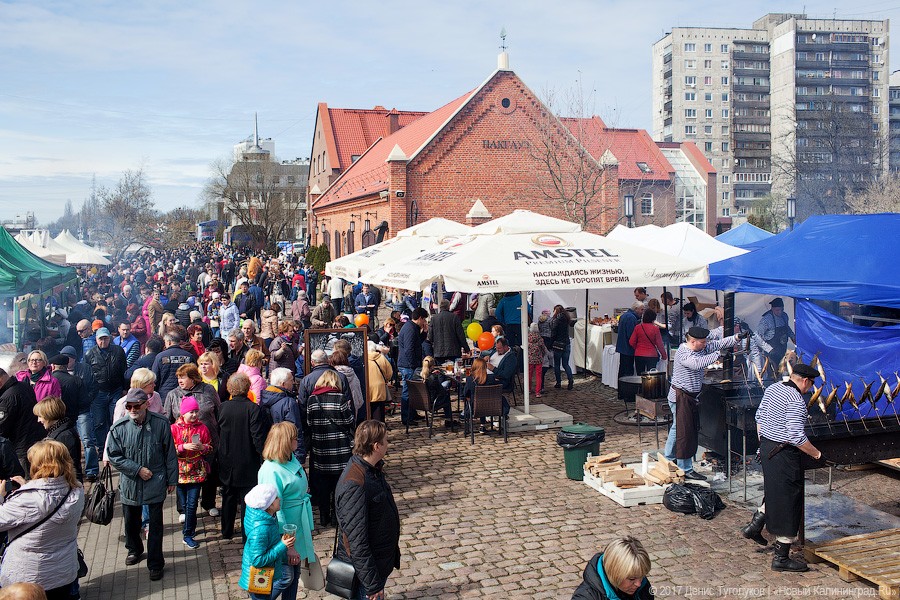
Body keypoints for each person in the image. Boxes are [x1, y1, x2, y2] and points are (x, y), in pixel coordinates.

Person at [753, 363, 824, 572]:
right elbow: (796, 436)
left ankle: (755, 526)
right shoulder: (796, 400)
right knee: (789, 501)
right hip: (784, 453)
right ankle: (781, 558)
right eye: (810, 385)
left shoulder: (773, 388)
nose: (810, 390)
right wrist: (817, 454)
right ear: (804, 380)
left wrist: (763, 445)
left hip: (767, 447)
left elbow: (759, 418)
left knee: (775, 493)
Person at [106, 388, 178, 581]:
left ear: (146, 404)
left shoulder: (161, 424)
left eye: (136, 405)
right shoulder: (119, 428)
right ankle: (134, 549)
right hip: (130, 482)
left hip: (156, 480)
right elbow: (114, 456)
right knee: (131, 522)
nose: (132, 409)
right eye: (128, 406)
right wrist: (136, 469)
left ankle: (155, 563)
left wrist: (172, 479)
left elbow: (170, 453)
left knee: (155, 525)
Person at [0, 440, 85, 598]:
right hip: (63, 572)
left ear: (40, 465)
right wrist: (27, 486)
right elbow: (47, 501)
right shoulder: (77, 490)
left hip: (30, 579)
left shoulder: (28, 500)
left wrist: (1, 496)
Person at [665, 326, 744, 481]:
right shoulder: (684, 352)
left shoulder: (703, 346)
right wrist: (717, 356)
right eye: (702, 342)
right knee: (685, 432)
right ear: (693, 342)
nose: (706, 344)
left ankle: (669, 458)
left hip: (690, 396)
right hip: (681, 396)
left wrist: (737, 337)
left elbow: (720, 343)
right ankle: (685, 468)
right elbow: (697, 363)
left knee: (677, 428)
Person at [334, 420, 400, 600]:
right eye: (386, 441)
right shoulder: (355, 483)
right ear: (376, 446)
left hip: (378, 563)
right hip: (366, 574)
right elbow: (357, 541)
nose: (388, 444)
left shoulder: (371, 470)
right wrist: (372, 585)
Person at [257, 422, 316, 600]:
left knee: (294, 573)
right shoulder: (271, 470)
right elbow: (275, 511)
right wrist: (287, 544)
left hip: (296, 523)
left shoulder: (290, 458)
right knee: (285, 576)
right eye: (294, 438)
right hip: (284, 529)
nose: (297, 440)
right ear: (285, 442)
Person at [162, 363, 221, 518]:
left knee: (209, 472)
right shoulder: (173, 394)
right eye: (178, 378)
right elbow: (166, 418)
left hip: (208, 440)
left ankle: (209, 503)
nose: (180, 380)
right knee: (184, 476)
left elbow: (219, 411)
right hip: (183, 443)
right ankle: (183, 509)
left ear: (193, 378)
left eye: (183, 377)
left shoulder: (208, 390)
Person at [218, 373, 268, 541]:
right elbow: (257, 436)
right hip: (247, 459)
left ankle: (226, 530)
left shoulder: (223, 407)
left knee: (228, 496)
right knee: (248, 499)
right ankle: (247, 534)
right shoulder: (253, 408)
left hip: (227, 458)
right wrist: (263, 455)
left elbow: (219, 433)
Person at [305, 370, 354, 527]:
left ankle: (324, 515)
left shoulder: (312, 399)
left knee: (323, 484)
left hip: (320, 448)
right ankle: (336, 516)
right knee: (338, 484)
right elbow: (349, 421)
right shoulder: (340, 398)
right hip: (339, 448)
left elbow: (309, 423)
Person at [238, 483, 295, 600]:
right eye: (276, 498)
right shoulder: (261, 529)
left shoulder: (268, 516)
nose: (279, 499)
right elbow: (258, 560)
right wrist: (282, 546)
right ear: (269, 505)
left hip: (264, 575)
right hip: (258, 577)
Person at [170, 396, 213, 549]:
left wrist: (203, 448)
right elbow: (169, 451)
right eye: (191, 412)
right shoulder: (174, 428)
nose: (194, 415)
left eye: (196, 411)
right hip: (180, 471)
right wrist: (183, 447)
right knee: (184, 503)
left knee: (192, 503)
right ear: (183, 413)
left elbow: (210, 447)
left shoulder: (202, 428)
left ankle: (187, 533)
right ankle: (190, 528)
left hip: (196, 469)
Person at [84, 327, 128, 456]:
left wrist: (125, 388)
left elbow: (124, 370)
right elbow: (88, 375)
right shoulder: (90, 354)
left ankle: (117, 447)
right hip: (98, 393)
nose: (103, 341)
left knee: (116, 420)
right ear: (96, 340)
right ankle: (102, 448)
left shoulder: (118, 351)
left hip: (115, 390)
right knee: (99, 422)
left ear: (110, 338)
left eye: (105, 338)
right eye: (100, 339)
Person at [572, 536, 654, 600]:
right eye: (632, 579)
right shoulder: (586, 597)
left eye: (642, 576)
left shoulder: (643, 586)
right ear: (614, 573)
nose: (638, 584)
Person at [0, 367, 47, 475]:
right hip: (34, 440)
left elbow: (1, 428)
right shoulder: (24, 386)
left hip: (21, 447)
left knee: (25, 482)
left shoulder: (7, 398)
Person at [259, 368, 306, 463]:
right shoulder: (288, 403)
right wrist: (300, 457)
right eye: (291, 380)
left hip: (270, 450)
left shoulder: (264, 398)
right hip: (287, 453)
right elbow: (295, 430)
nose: (293, 382)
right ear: (282, 384)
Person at [33, 397, 83, 482]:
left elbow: (70, 466)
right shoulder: (58, 431)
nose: (38, 420)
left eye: (40, 416)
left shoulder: (64, 436)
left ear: (49, 415)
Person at [397, 307, 429, 426]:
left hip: (408, 364)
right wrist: (412, 365)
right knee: (407, 392)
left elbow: (417, 342)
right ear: (420, 318)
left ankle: (412, 413)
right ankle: (406, 417)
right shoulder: (410, 329)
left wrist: (424, 332)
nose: (424, 322)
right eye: (424, 319)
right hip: (407, 365)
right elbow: (409, 349)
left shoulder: (413, 327)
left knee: (411, 391)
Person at [462, 357, 508, 434]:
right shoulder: (491, 378)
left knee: (476, 399)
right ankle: (483, 424)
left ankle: (480, 425)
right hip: (492, 407)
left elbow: (465, 393)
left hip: (475, 408)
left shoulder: (470, 380)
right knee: (485, 398)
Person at [151, 330, 194, 401]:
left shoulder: (160, 356)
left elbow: (154, 377)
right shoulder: (189, 356)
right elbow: (194, 376)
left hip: (165, 395)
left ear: (169, 342)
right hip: (185, 394)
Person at [418, 357, 458, 429]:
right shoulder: (433, 378)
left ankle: (449, 419)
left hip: (420, 401)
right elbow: (441, 391)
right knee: (446, 396)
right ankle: (448, 420)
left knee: (446, 390)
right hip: (432, 402)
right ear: (432, 366)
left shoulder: (417, 374)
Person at [427, 299, 469, 365]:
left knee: (440, 372)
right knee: (454, 372)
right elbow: (461, 335)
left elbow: (430, 336)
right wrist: (467, 349)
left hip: (439, 352)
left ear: (440, 307)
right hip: (453, 351)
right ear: (449, 306)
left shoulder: (434, 318)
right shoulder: (454, 317)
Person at [615, 302, 643, 400]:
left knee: (622, 370)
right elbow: (632, 336)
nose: (642, 312)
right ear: (636, 309)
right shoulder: (631, 318)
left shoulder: (624, 316)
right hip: (628, 348)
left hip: (623, 347)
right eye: (641, 309)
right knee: (627, 371)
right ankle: (627, 395)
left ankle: (621, 393)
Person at [757, 297, 795, 368]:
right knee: (772, 372)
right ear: (772, 309)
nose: (780, 312)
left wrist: (793, 337)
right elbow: (758, 336)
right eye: (777, 310)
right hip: (770, 352)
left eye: (782, 309)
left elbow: (787, 328)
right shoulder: (766, 319)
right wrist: (767, 349)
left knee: (782, 370)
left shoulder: (784, 316)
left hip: (782, 349)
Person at [629, 309, 668, 374]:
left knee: (640, 376)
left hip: (639, 354)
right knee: (651, 377)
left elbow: (631, 342)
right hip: (652, 355)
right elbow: (659, 344)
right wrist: (664, 355)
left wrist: (637, 348)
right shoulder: (655, 329)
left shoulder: (637, 327)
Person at [366, 340, 393, 423]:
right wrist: (386, 380)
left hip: (367, 387)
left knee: (368, 409)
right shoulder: (381, 358)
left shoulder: (364, 358)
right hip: (379, 387)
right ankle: (379, 427)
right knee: (379, 409)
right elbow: (389, 372)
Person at [549, 304, 574, 391]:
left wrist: (550, 344)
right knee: (566, 364)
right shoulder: (566, 319)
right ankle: (570, 380)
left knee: (557, 365)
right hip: (566, 343)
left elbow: (553, 330)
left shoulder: (556, 320)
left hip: (558, 344)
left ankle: (558, 382)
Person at [527, 323, 547, 398]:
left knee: (529, 374)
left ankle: (528, 389)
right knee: (538, 375)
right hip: (538, 358)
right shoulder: (540, 338)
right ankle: (537, 392)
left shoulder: (527, 337)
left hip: (529, 359)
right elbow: (543, 348)